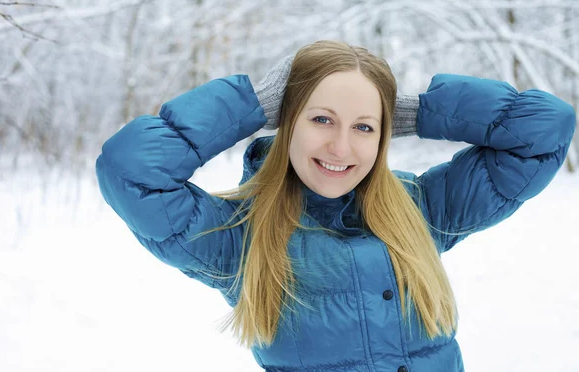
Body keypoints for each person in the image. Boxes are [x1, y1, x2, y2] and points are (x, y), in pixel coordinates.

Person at [95, 40, 576, 372]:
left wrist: (418, 110)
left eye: (364, 127)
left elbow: (545, 128)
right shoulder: (239, 237)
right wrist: (255, 105)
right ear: (286, 122)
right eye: (322, 119)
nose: (340, 148)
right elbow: (132, 168)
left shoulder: (422, 210)